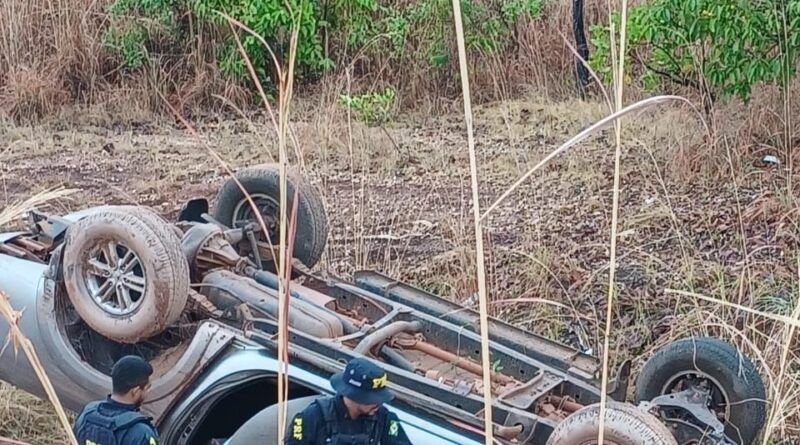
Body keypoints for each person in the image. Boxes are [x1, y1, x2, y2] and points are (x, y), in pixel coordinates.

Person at [284, 357, 413, 445]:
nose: (378, 403)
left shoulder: (384, 418)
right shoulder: (313, 416)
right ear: (353, 395)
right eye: (372, 399)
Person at [72, 355, 160, 445]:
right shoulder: (141, 433)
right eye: (146, 388)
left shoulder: (86, 415)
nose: (147, 393)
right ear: (135, 391)